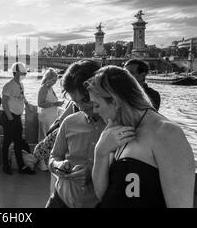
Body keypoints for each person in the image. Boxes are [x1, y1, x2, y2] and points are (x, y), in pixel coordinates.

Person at [86, 66, 195, 208]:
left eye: (96, 104)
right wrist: (100, 152)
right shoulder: (114, 130)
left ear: (115, 101)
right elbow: (103, 194)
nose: (94, 110)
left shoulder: (166, 133)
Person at [47, 60, 105, 208]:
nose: (81, 107)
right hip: (59, 200)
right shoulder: (69, 122)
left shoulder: (120, 126)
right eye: (75, 102)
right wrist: (59, 166)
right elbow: (53, 158)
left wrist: (93, 175)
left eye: (85, 100)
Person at [1, 62, 35, 175]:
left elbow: (22, 95)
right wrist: (10, 118)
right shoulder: (8, 85)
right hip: (9, 117)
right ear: (16, 73)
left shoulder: (20, 84)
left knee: (18, 142)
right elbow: (4, 102)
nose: (24, 74)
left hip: (17, 117)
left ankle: (21, 166)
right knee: (7, 142)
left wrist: (27, 104)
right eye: (23, 73)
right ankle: (5, 165)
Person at [37, 68, 64, 144]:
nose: (55, 82)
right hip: (46, 117)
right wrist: (55, 104)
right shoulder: (43, 88)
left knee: (51, 138)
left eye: (56, 80)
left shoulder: (50, 88)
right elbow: (40, 103)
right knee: (46, 138)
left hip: (52, 116)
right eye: (53, 80)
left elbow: (53, 101)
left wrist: (58, 104)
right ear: (48, 79)